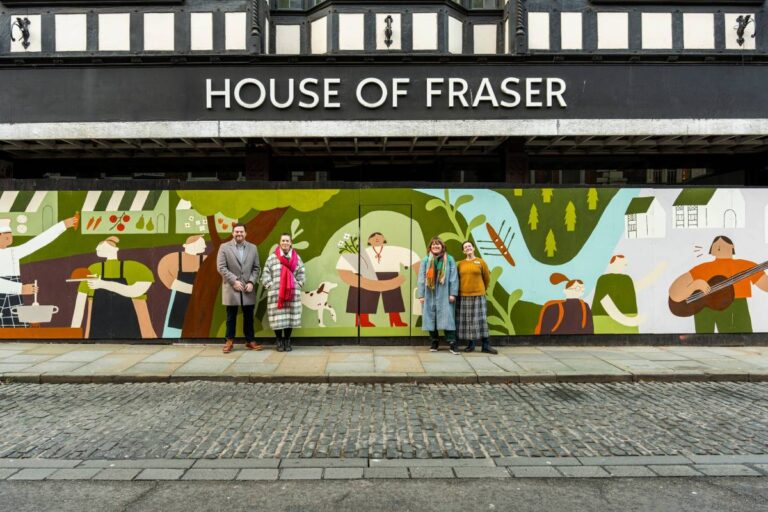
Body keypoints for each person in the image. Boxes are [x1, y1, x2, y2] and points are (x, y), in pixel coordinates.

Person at [669, 235, 768, 333]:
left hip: (738, 305)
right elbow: (674, 292)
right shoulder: (701, 269)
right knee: (704, 340)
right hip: (705, 308)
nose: (718, 244)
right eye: (715, 244)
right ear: (711, 250)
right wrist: (695, 285)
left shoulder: (746, 266)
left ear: (732, 247)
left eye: (722, 242)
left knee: (744, 338)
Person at [70, 236, 157, 339]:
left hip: (129, 318)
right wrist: (74, 330)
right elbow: (80, 300)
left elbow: (135, 292)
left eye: (101, 247)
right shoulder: (94, 269)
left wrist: (102, 284)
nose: (97, 249)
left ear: (115, 249)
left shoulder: (134, 267)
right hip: (99, 318)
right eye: (98, 247)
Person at [0, 214, 78, 327]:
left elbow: (36, 243)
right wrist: (20, 288)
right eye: (5, 236)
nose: (10, 238)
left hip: (13, 298)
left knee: (16, 329)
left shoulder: (12, 252)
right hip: (10, 292)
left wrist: (63, 225)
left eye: (10, 235)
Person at [336, 231, 420, 328]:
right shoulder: (363, 251)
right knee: (363, 298)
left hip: (390, 274)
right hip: (367, 275)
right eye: (373, 236)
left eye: (379, 235)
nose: (376, 237)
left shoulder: (393, 250)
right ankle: (363, 321)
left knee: (393, 298)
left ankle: (396, 320)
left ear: (384, 239)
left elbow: (412, 256)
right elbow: (344, 263)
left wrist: (418, 274)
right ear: (369, 241)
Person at [217, 225, 260, 353]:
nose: (239, 234)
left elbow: (256, 268)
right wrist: (234, 280)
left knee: (249, 316)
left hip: (248, 288)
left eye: (241, 231)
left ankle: (250, 341)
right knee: (231, 316)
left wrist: (252, 282)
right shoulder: (224, 247)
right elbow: (221, 267)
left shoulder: (253, 248)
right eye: (236, 231)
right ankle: (229, 341)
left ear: (245, 233)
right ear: (232, 233)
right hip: (231, 288)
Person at [262, 233, 305, 352]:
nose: (285, 243)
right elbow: (265, 273)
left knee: (290, 316)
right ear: (279, 242)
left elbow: (301, 272)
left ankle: (287, 340)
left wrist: (299, 284)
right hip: (276, 293)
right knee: (278, 318)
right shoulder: (272, 258)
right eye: (283, 240)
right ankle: (279, 340)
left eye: (287, 240)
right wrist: (270, 285)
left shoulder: (296, 258)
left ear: (291, 243)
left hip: (292, 293)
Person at [157, 235, 207, 338]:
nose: (205, 246)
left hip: (200, 298)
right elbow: (167, 278)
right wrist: (193, 290)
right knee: (176, 320)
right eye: (202, 244)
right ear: (191, 245)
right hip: (179, 296)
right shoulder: (172, 258)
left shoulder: (205, 259)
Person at [417, 236, 459, 353]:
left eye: (438, 244)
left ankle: (452, 342)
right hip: (429, 293)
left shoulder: (449, 259)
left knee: (448, 318)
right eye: (433, 245)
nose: (435, 246)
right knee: (430, 318)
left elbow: (454, 278)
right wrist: (421, 295)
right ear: (430, 247)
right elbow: (421, 278)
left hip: (445, 293)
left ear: (442, 246)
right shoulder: (426, 260)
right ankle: (434, 341)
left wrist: (453, 294)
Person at [456, 241, 497, 354]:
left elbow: (487, 278)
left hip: (478, 296)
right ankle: (471, 345)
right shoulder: (460, 264)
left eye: (469, 246)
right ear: (463, 251)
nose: (468, 248)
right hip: (464, 296)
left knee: (481, 320)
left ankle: (485, 345)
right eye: (465, 247)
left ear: (473, 248)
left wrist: (481, 289)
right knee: (469, 321)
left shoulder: (481, 262)